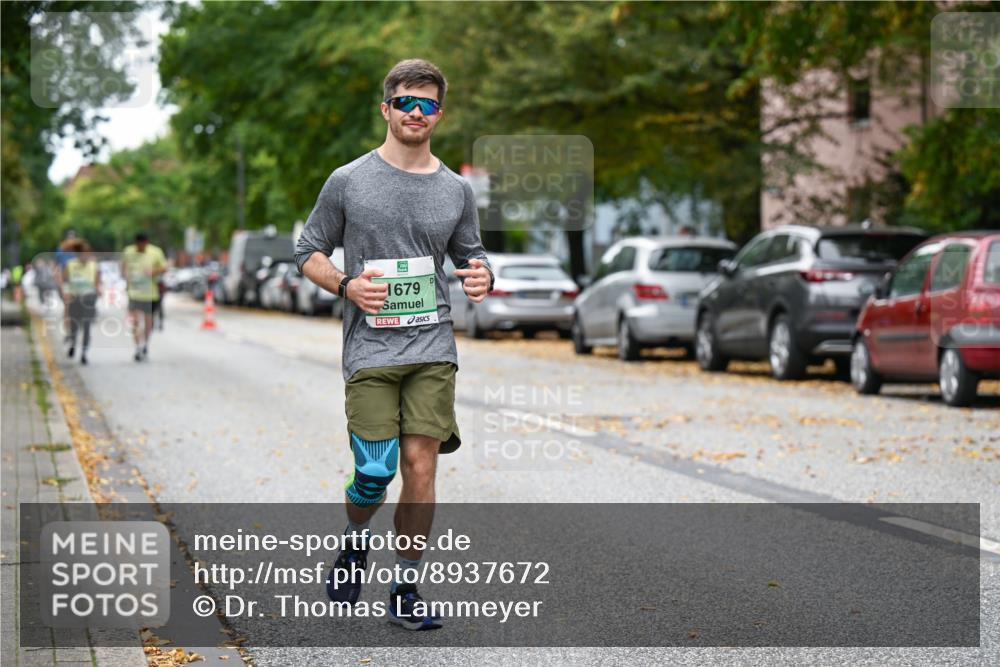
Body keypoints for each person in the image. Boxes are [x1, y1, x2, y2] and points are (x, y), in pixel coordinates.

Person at [295, 58, 493, 631]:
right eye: (406, 101)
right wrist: (346, 284)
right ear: (386, 109)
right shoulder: (349, 180)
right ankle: (356, 540)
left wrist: (481, 274)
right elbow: (308, 250)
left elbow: (470, 254)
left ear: (439, 114)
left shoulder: (456, 189)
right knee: (376, 471)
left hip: (432, 346)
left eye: (427, 104)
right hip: (370, 350)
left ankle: (406, 585)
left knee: (421, 467)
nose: (416, 112)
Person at [121, 232, 167, 362]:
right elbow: (124, 268)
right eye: (139, 245)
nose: (141, 247)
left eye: (143, 245)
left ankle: (145, 344)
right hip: (134, 293)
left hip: (150, 294)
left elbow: (164, 267)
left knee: (148, 322)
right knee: (135, 322)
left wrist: (153, 272)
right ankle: (138, 347)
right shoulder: (128, 251)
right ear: (136, 243)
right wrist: (126, 275)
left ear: (147, 243)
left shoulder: (155, 252)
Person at [61, 239, 100, 365]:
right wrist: (67, 293)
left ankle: (84, 352)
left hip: (88, 298)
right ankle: (73, 343)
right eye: (82, 253)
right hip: (75, 298)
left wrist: (98, 290)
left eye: (87, 253)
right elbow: (65, 280)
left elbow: (97, 283)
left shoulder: (94, 266)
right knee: (74, 325)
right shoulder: (70, 264)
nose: (85, 256)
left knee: (87, 326)